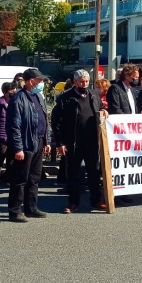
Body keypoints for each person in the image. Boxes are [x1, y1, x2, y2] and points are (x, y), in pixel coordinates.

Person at [52, 69, 106, 214]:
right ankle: (73, 202)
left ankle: (96, 200)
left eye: (87, 81)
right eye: (81, 81)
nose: (84, 84)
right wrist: (60, 143)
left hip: (92, 142)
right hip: (73, 143)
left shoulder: (94, 95)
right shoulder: (66, 98)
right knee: (74, 175)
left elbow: (100, 107)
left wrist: (104, 110)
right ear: (75, 82)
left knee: (94, 173)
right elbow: (57, 122)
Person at [6, 68, 52, 222]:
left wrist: (46, 141)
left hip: (38, 141)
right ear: (31, 81)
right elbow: (14, 126)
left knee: (34, 177)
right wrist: (18, 148)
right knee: (20, 179)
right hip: (25, 143)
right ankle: (15, 210)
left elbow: (44, 120)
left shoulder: (38, 96)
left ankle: (31, 207)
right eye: (39, 80)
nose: (42, 83)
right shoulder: (19, 98)